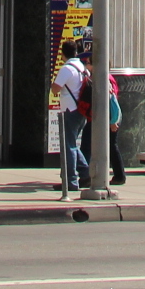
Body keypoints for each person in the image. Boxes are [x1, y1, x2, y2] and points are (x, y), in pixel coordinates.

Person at [54, 39, 89, 193]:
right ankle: (86, 172)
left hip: (70, 110)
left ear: (63, 53)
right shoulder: (82, 67)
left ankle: (71, 182)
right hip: (82, 110)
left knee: (68, 146)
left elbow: (55, 89)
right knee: (72, 143)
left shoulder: (67, 68)